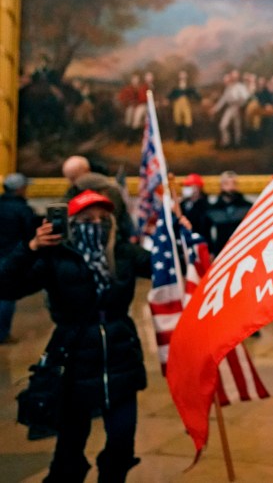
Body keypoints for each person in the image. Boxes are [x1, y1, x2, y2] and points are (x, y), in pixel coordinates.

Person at [0, 190, 152, 482]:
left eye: (102, 218)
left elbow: (168, 268)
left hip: (121, 357)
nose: (96, 224)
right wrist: (30, 247)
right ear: (71, 222)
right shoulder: (55, 257)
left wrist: (183, 236)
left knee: (121, 442)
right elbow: (6, 286)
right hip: (73, 360)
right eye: (86, 219)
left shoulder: (122, 252)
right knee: (70, 446)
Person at [0, 173, 39, 344]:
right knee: (6, 295)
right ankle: (2, 334)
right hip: (11, 254)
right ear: (19, 189)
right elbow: (30, 234)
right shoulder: (22, 209)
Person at [207, 171, 253, 257]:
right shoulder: (213, 209)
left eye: (234, 183)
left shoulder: (247, 207)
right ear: (221, 186)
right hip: (221, 252)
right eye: (227, 184)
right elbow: (206, 233)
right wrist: (211, 252)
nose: (231, 187)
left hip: (243, 251)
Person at [178, 173, 212, 243]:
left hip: (200, 242)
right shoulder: (182, 204)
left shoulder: (206, 205)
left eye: (188, 186)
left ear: (198, 188)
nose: (186, 188)